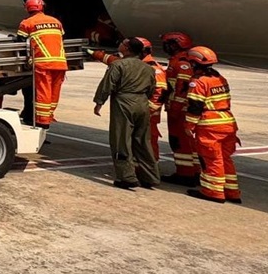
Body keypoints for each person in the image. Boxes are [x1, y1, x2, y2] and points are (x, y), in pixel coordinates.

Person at [92, 37, 159, 190]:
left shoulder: (118, 65)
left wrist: (99, 102)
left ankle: (126, 177)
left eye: (122, 43)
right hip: (142, 103)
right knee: (142, 141)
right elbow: (152, 88)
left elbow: (107, 84)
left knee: (121, 139)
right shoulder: (148, 68)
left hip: (124, 102)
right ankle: (150, 176)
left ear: (127, 48)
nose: (120, 45)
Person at [184, 46, 242, 204]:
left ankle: (213, 192)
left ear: (194, 63)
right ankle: (232, 192)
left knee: (211, 159)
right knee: (225, 159)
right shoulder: (220, 78)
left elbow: (194, 107)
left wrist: (189, 126)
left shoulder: (198, 82)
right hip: (228, 122)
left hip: (210, 125)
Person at [17, 0, 67, 128]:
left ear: (28, 8)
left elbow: (20, 41)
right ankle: (50, 115)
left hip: (43, 63)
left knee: (44, 91)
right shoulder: (56, 21)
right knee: (54, 92)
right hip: (60, 62)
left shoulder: (27, 23)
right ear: (42, 7)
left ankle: (43, 121)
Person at [161, 32, 199, 186]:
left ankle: (185, 174)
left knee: (180, 141)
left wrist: (175, 109)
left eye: (167, 44)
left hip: (179, 111)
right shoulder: (179, 60)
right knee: (189, 142)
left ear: (175, 44)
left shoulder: (181, 63)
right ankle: (195, 172)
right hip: (180, 109)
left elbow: (182, 89)